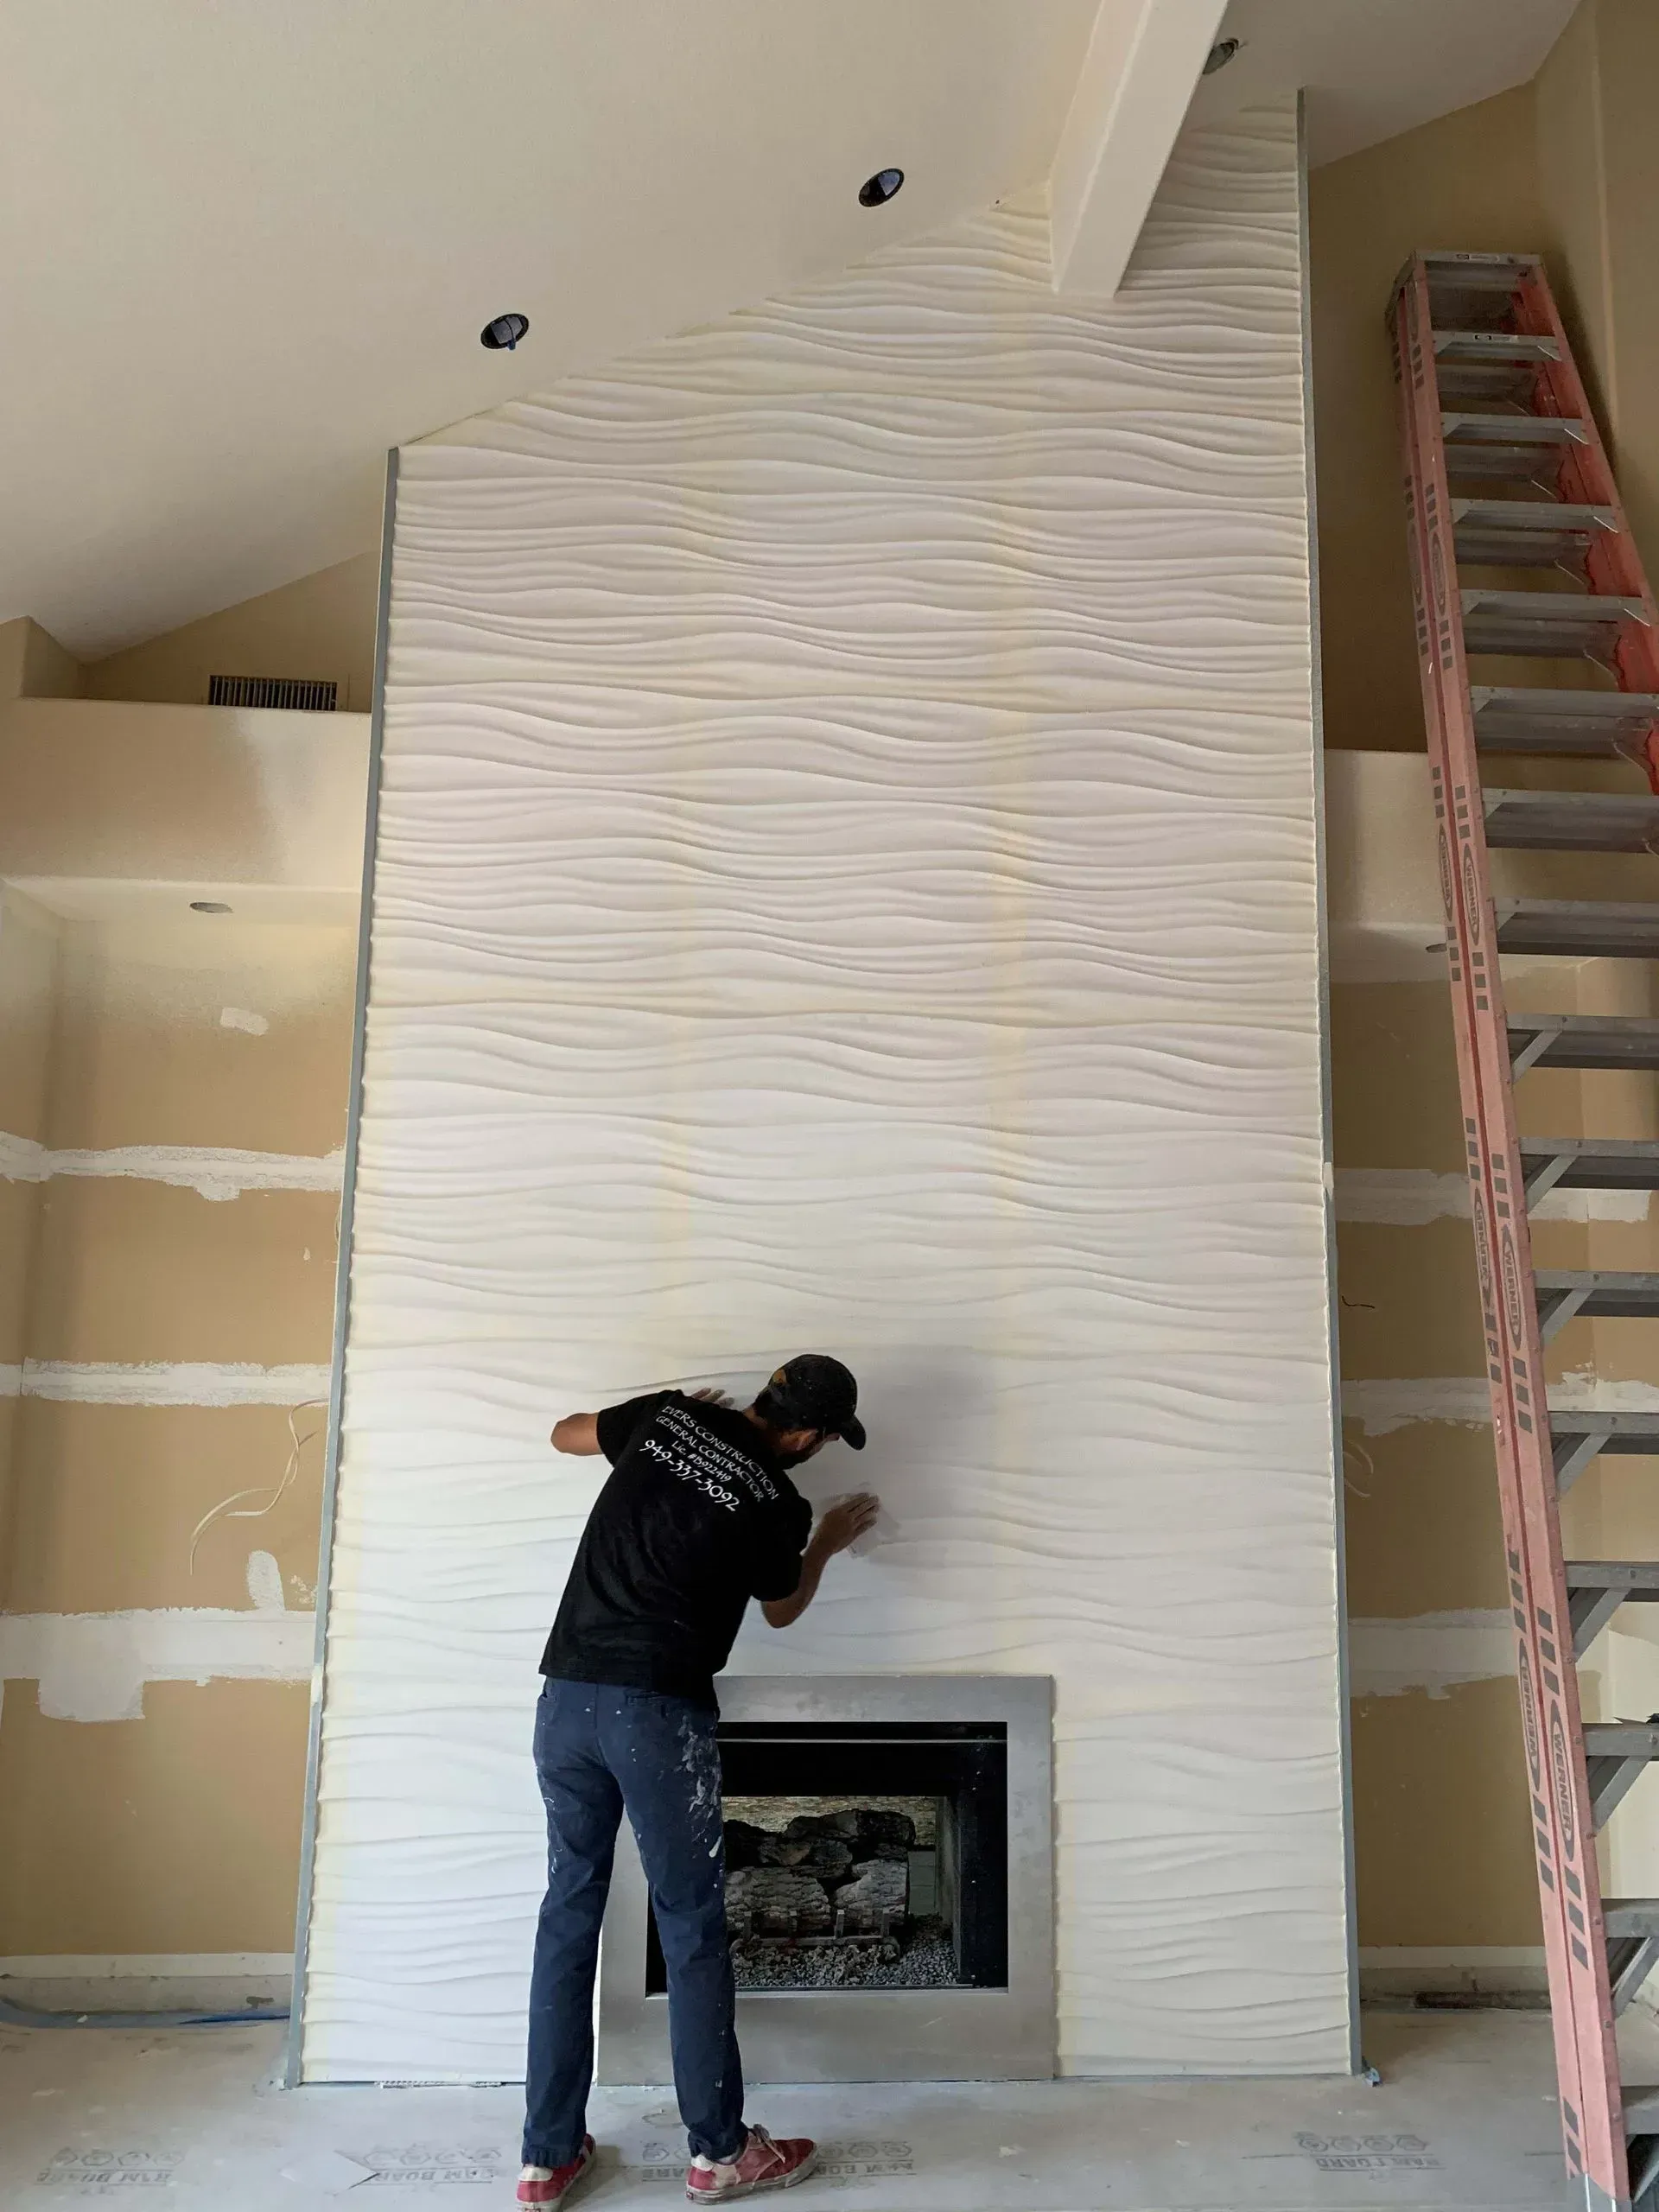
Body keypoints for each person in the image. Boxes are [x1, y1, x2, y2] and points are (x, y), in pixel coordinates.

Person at [518, 1355, 880, 2209]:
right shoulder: (778, 1502)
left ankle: (546, 2158)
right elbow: (781, 1607)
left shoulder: (669, 1416)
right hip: (654, 1716)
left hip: (565, 1700)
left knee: (568, 1911)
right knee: (689, 1926)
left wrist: (656, 1412)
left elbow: (564, 1434)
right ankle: (719, 2152)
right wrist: (825, 1542)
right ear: (809, 1435)